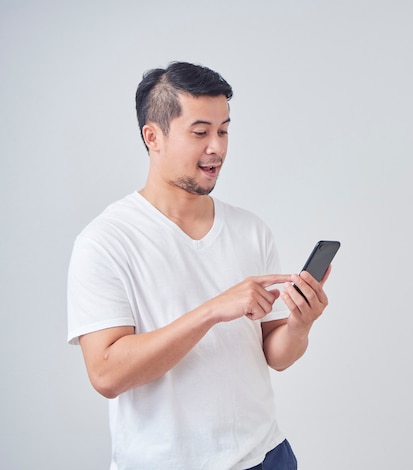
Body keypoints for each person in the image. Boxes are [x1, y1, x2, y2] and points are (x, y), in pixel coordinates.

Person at [67, 61, 332, 470]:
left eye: (224, 130)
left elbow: (275, 354)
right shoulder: (105, 241)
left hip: (266, 456)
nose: (218, 148)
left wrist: (300, 323)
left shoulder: (250, 229)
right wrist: (212, 310)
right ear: (152, 137)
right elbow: (106, 374)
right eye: (200, 132)